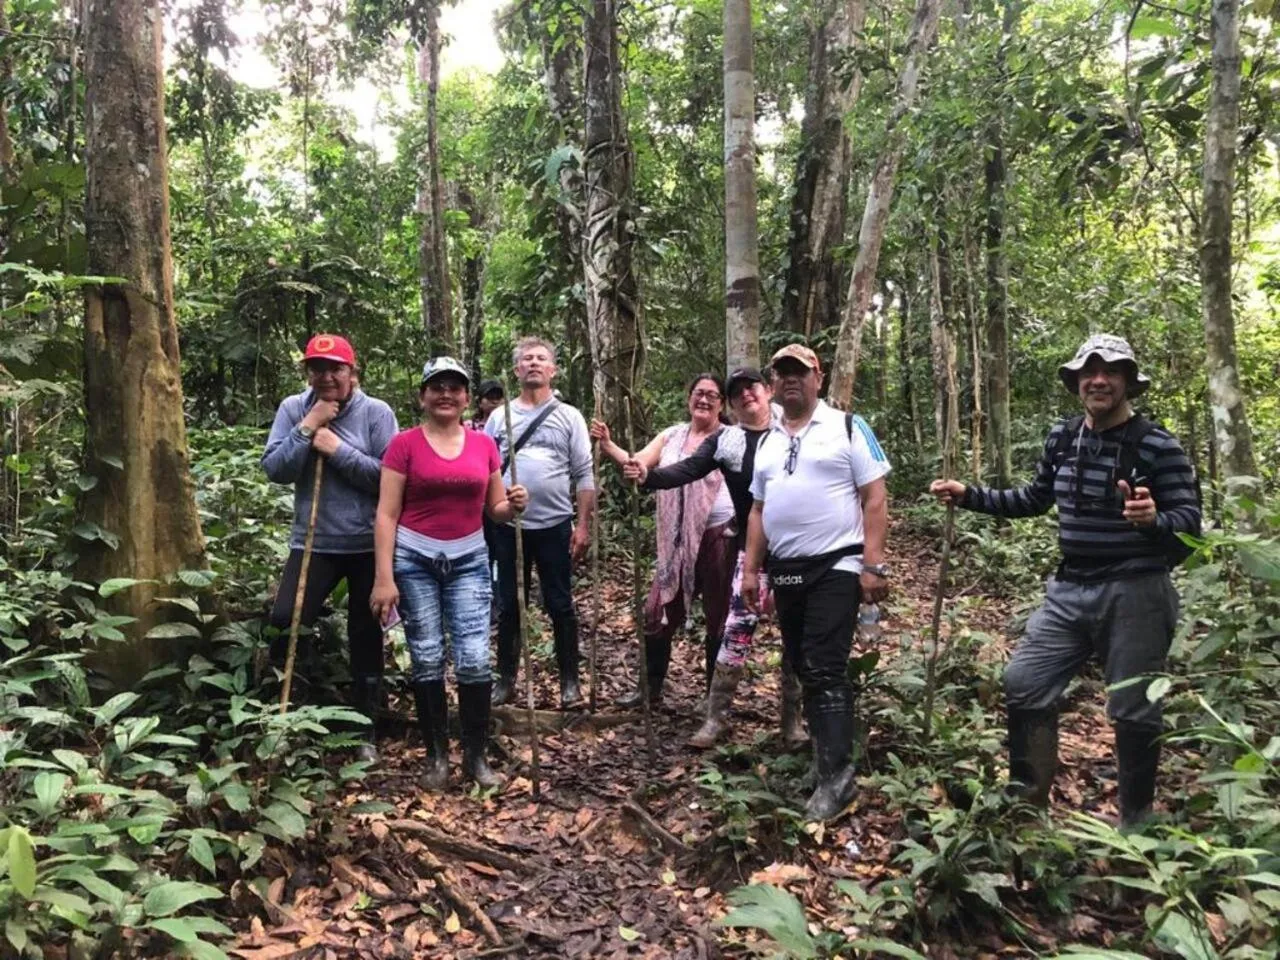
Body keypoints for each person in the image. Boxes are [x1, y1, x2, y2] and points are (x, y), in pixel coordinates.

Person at [928, 334, 1201, 828]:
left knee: (1134, 711)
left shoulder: (1160, 446)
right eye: (1088, 373)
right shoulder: (1063, 437)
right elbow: (1034, 499)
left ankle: (1134, 825)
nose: (1098, 380)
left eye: (1109, 372)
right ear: (1077, 382)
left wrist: (1154, 521)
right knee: (1024, 682)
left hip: (1137, 592)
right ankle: (1028, 810)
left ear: (1127, 383)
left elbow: (1190, 534)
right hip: (1070, 589)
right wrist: (969, 495)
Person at [743, 344, 890, 821]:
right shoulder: (767, 441)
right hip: (787, 568)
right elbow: (760, 510)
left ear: (818, 378)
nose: (791, 380)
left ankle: (839, 778)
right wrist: (750, 569)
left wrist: (873, 565)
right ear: (772, 383)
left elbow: (874, 496)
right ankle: (824, 762)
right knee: (803, 664)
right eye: (782, 373)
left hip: (837, 564)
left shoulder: (848, 427)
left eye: (799, 373)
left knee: (825, 665)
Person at [622, 367, 806, 748]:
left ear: (768, 390)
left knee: (797, 634)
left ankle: (793, 724)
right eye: (736, 392)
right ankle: (716, 718)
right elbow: (688, 469)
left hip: (796, 554)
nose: (745, 395)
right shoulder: (728, 441)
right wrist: (646, 476)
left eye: (751, 387)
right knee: (735, 631)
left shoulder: (794, 433)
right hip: (751, 554)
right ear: (731, 404)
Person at [370, 357, 528, 790]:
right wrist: (383, 577)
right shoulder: (403, 445)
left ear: (466, 398)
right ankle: (437, 757)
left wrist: (514, 503)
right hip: (414, 558)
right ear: (422, 396)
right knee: (426, 657)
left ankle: (475, 758)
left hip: (470, 559)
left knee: (475, 658)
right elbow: (386, 514)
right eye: (436, 386)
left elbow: (494, 509)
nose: (446, 394)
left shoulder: (483, 445)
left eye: (455, 387)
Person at [262, 334, 399, 761]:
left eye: (335, 368)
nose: (326, 376)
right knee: (284, 620)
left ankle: (365, 729)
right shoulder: (293, 408)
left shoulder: (376, 413)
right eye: (317, 368)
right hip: (313, 541)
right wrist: (308, 427)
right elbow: (275, 470)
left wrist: (338, 449)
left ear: (351, 371)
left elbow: (387, 479)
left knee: (365, 633)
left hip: (365, 543)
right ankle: (288, 710)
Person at [593, 374, 737, 707]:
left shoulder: (729, 438)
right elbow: (639, 462)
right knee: (655, 612)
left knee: (718, 615)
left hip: (718, 536)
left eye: (712, 396)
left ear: (722, 404)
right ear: (689, 397)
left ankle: (713, 699)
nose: (704, 400)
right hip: (675, 543)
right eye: (698, 393)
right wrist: (609, 446)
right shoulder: (672, 435)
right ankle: (650, 690)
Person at [485, 337, 596, 708]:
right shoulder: (500, 417)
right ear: (517, 370)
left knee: (560, 603)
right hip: (507, 526)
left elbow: (584, 473)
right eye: (526, 359)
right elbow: (485, 469)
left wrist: (582, 526)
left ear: (553, 369)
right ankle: (506, 680)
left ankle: (570, 683)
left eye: (541, 359)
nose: (533, 363)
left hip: (554, 526)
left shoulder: (569, 416)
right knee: (509, 604)